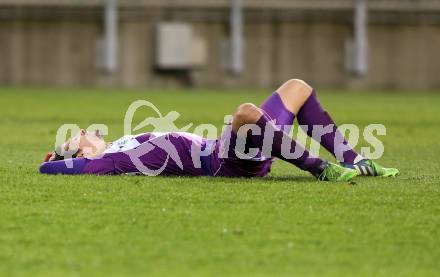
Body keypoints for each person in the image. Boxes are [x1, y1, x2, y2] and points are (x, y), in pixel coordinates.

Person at [39, 79, 399, 181]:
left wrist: (62, 152)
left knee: (297, 88)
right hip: (223, 161)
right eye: (77, 137)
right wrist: (55, 159)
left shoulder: (119, 143)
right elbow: (49, 168)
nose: (83, 130)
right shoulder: (112, 161)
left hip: (224, 148)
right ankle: (320, 169)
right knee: (243, 112)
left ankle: (357, 160)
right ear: (84, 153)